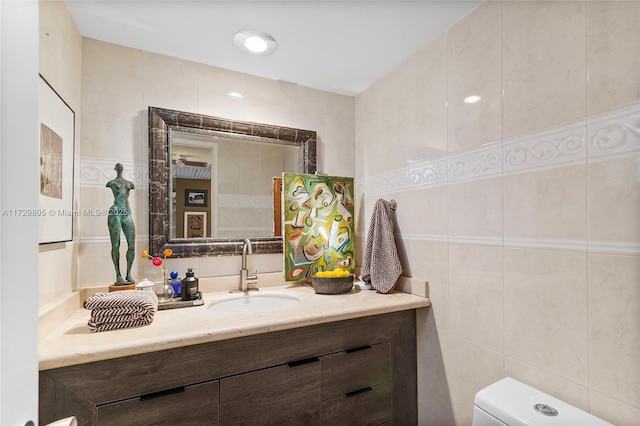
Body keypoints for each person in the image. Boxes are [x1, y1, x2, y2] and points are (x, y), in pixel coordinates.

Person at [106, 163, 136, 284]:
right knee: (116, 244)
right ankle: (118, 275)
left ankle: (129, 274)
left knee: (132, 245)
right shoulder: (111, 183)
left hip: (127, 213)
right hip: (116, 211)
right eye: (117, 167)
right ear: (115, 169)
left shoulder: (129, 184)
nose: (119, 167)